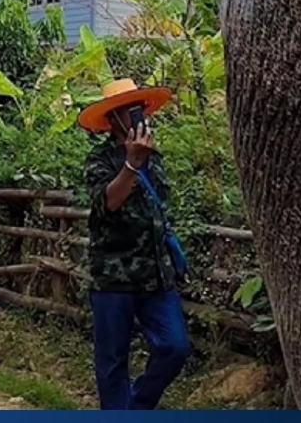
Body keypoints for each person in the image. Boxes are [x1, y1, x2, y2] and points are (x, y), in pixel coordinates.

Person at [79, 78, 190, 411]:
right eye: (131, 111)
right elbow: (107, 203)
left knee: (175, 347)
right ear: (114, 120)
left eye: (140, 109)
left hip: (156, 275)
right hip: (114, 277)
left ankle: (136, 407)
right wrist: (131, 164)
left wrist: (142, 159)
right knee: (112, 362)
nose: (139, 116)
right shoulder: (99, 160)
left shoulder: (155, 159)